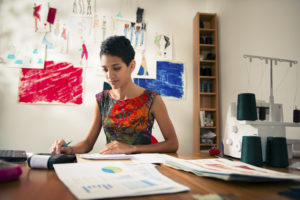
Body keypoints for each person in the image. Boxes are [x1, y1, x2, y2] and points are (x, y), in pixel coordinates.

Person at [50, 36, 179, 155]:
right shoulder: (102, 100)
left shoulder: (152, 99)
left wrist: (133, 148)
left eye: (116, 68)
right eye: (105, 69)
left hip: (143, 168)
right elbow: (88, 143)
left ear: (132, 66)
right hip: (111, 167)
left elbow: (173, 144)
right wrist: (67, 149)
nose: (109, 76)